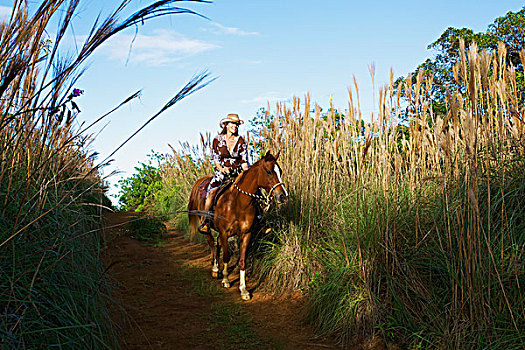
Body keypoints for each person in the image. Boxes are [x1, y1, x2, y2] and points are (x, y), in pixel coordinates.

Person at [199, 113, 249, 232]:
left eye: (237, 124)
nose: (235, 126)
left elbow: (244, 160)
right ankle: (205, 220)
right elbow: (215, 159)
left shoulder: (241, 140)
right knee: (211, 192)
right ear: (226, 125)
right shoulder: (218, 139)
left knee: (252, 190)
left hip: (238, 172)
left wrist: (247, 172)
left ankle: (259, 220)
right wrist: (222, 169)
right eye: (233, 123)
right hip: (222, 172)